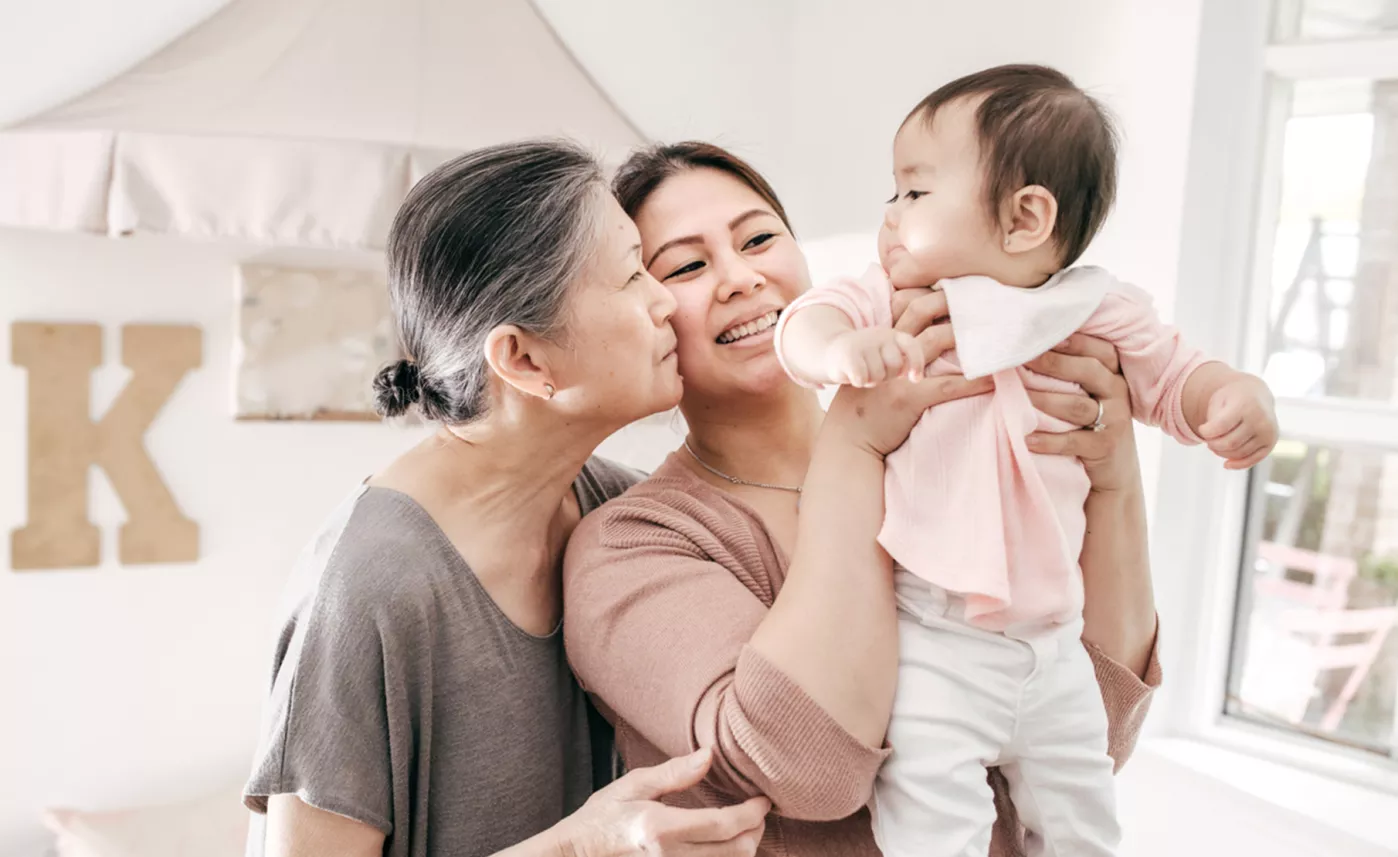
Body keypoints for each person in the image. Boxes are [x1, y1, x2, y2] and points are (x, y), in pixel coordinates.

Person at [562, 140, 1166, 857]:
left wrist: (1116, 470)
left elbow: (1097, 726)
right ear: (649, 311)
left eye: (759, 238)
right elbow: (808, 769)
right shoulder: (632, 545)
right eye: (687, 266)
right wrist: (855, 446)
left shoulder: (954, 445)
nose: (741, 278)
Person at [775, 66, 1278, 856]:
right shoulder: (896, 298)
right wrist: (840, 349)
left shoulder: (1094, 307)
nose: (888, 213)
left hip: (1055, 643)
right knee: (931, 820)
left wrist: (1235, 395)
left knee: (1084, 817)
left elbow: (1177, 377)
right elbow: (804, 322)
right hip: (933, 635)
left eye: (913, 192)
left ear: (1025, 218)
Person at [241, 140, 773, 857]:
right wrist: (578, 849)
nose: (664, 300)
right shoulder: (367, 590)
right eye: (632, 275)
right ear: (523, 360)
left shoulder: (614, 510)